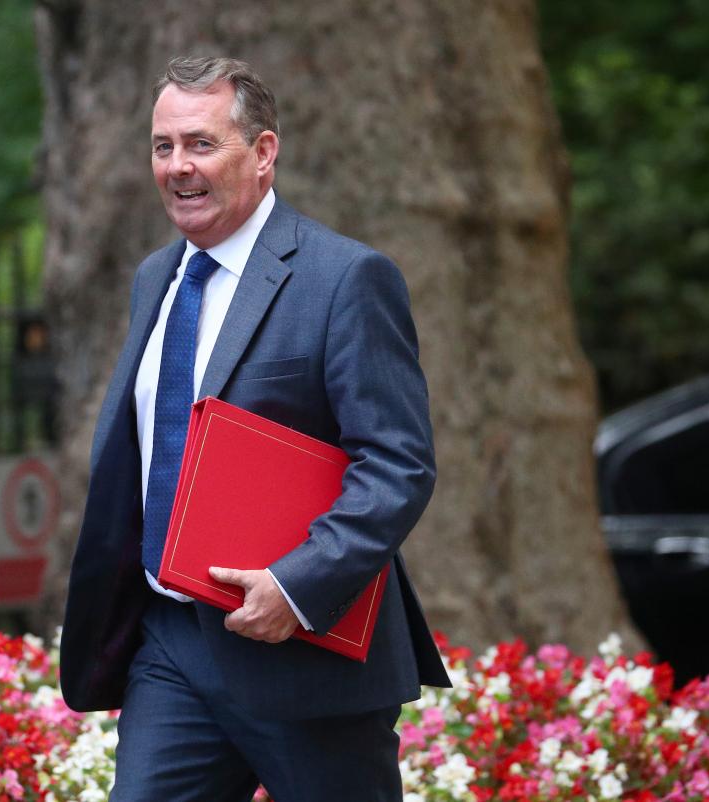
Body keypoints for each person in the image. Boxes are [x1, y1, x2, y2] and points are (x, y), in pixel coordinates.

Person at [59, 56, 451, 802]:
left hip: (306, 658)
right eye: (163, 146)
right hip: (170, 646)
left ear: (263, 153)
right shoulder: (154, 280)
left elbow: (397, 464)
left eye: (201, 144)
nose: (178, 166)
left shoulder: (345, 278)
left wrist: (298, 588)